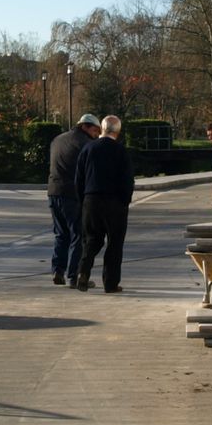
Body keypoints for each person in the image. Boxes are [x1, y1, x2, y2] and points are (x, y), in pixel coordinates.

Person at [73, 114, 134, 294]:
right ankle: (110, 283)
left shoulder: (88, 149)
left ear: (102, 129)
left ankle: (82, 273)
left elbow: (79, 178)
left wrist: (82, 200)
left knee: (91, 240)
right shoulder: (121, 151)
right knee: (114, 243)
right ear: (118, 131)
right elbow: (127, 180)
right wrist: (125, 201)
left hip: (91, 199)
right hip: (115, 202)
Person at [46, 113, 102, 285]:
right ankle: (74, 275)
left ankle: (58, 271)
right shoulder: (86, 144)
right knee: (79, 234)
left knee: (61, 234)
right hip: (72, 195)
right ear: (85, 126)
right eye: (95, 130)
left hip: (54, 192)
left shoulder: (58, 139)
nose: (96, 135)